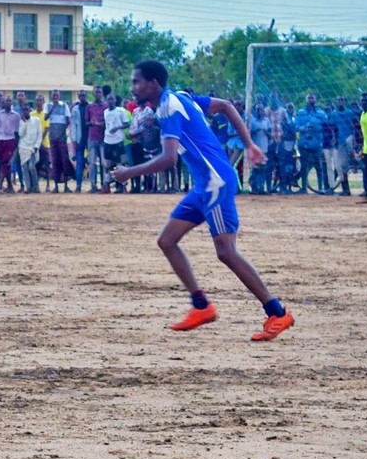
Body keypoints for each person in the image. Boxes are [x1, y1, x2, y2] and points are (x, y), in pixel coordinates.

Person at [111, 60, 292, 341]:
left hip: (216, 183)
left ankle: (277, 312)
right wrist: (248, 144)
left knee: (226, 252)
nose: (132, 87)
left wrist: (128, 173)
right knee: (167, 241)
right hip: (203, 185)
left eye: (136, 82)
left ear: (153, 84)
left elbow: (169, 159)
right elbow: (227, 107)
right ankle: (201, 306)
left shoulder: (170, 107)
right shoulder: (180, 98)